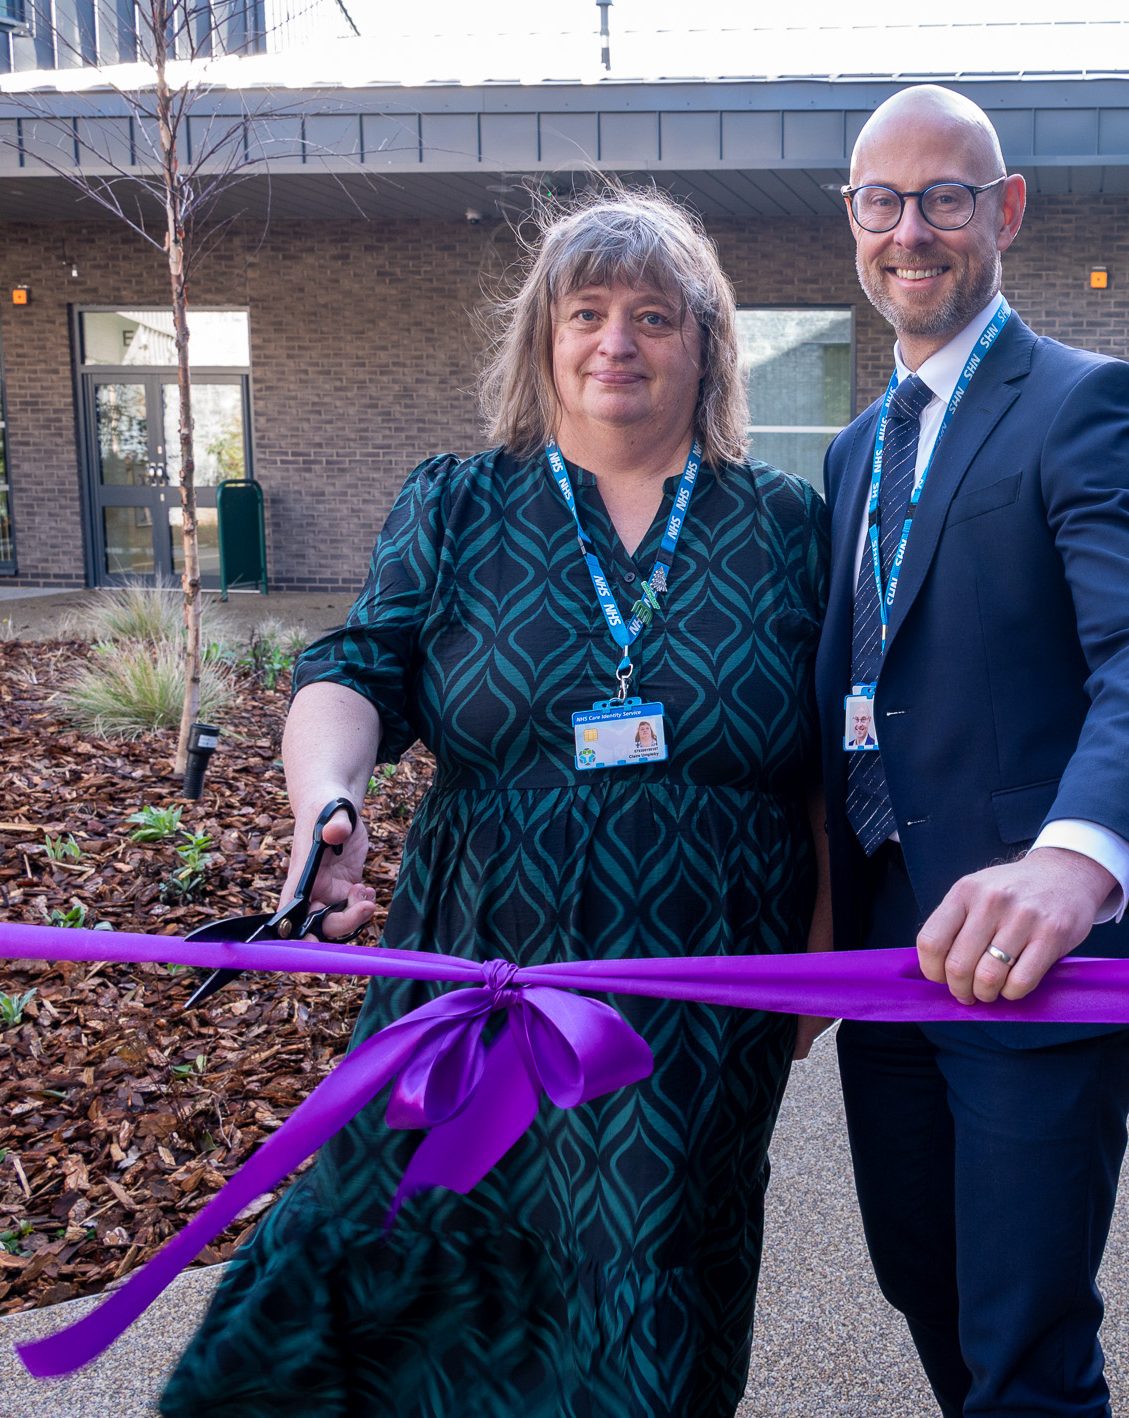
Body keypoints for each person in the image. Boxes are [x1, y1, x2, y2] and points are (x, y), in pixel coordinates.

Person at [161, 189, 832, 1418]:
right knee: (410, 1246)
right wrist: (330, 805)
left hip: (695, 996)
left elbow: (823, 766)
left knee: (649, 1272)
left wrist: (814, 968)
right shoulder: (459, 503)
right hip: (484, 969)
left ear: (706, 345)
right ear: (542, 342)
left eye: (652, 315)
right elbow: (354, 669)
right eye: (585, 313)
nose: (614, 341)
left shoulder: (784, 523)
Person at [815, 86, 1129, 1418]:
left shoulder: (1086, 403)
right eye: (883, 200)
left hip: (1041, 966)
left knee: (1026, 1344)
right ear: (853, 219)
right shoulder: (855, 450)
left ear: (1008, 211)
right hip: (889, 953)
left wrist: (1078, 859)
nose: (910, 229)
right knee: (925, 1284)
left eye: (946, 197)